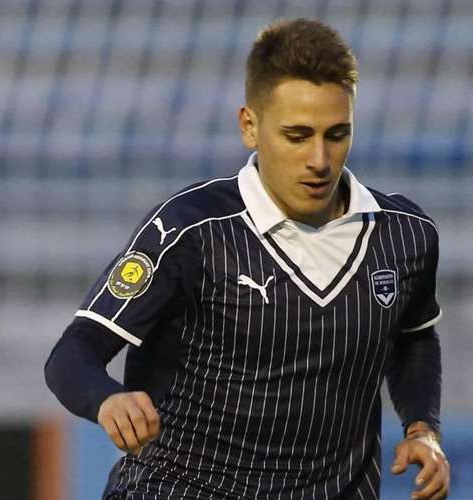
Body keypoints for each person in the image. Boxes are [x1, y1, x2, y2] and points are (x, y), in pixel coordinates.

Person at [45, 18, 450, 500]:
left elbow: (412, 338)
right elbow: (73, 353)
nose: (319, 160)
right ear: (250, 127)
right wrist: (107, 399)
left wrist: (422, 427)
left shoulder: (404, 234)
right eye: (297, 136)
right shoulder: (190, 231)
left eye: (336, 134)